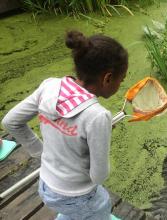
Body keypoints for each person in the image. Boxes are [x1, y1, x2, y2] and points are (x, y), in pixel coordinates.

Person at [1, 30, 128, 220]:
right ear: (107, 78)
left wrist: (40, 152)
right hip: (79, 197)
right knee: (102, 207)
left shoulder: (49, 86)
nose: (121, 84)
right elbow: (99, 177)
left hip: (46, 188)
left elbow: (11, 122)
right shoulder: (98, 116)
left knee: (75, 213)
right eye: (121, 79)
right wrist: (101, 137)